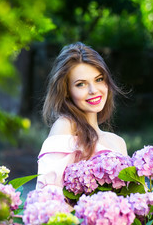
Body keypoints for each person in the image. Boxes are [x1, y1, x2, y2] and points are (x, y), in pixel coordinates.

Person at [36, 42, 127, 189]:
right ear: (66, 91)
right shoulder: (65, 126)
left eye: (99, 79)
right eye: (81, 84)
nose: (93, 90)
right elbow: (48, 195)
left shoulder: (118, 143)